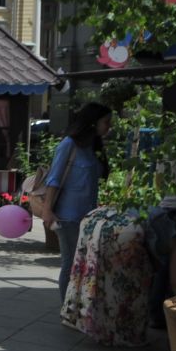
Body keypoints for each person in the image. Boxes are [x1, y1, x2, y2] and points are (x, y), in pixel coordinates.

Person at [39, 103, 112, 299]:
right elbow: (54, 178)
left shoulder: (94, 148)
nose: (109, 127)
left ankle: (78, 306)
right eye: (106, 122)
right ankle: (67, 308)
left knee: (85, 263)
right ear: (92, 122)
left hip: (88, 217)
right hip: (67, 216)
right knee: (70, 261)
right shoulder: (69, 144)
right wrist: (47, 211)